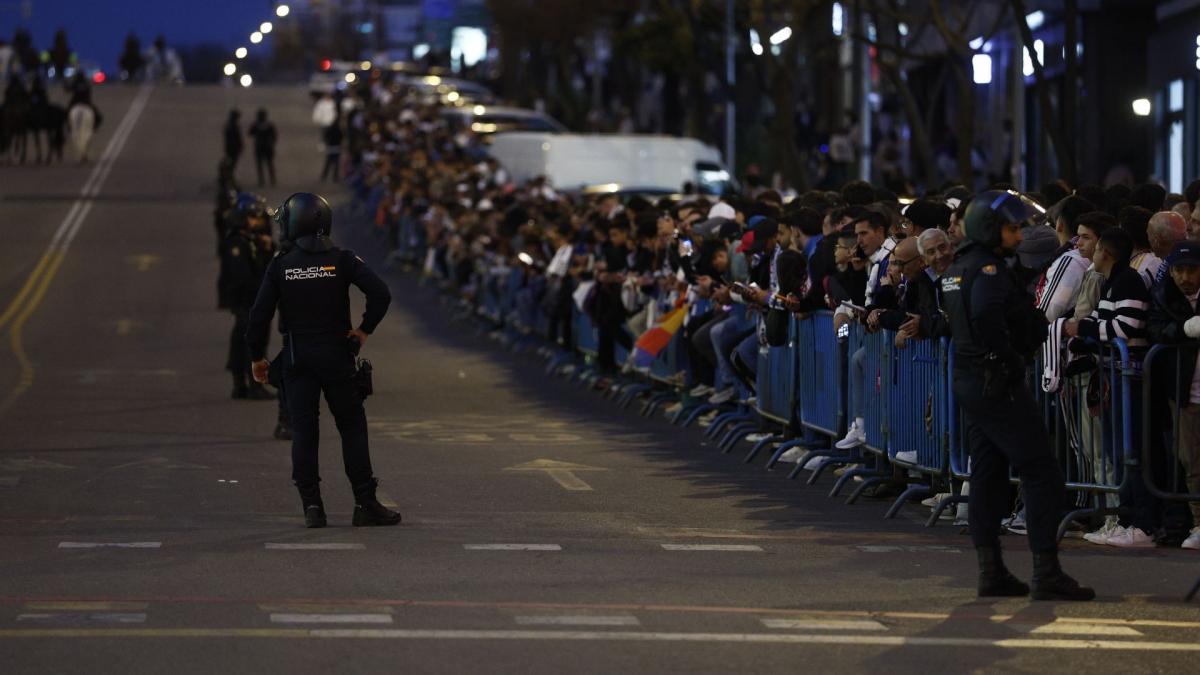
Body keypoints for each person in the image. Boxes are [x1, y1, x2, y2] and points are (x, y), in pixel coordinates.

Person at [938, 190, 1094, 601]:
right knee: (1042, 472)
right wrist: (1006, 357)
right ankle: (1047, 571)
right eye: (1011, 227)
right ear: (990, 229)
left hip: (972, 381)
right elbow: (987, 315)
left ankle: (992, 570)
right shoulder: (987, 269)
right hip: (996, 381)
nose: (1018, 234)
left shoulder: (958, 267)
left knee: (987, 476)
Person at [246, 192, 400, 528]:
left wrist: (258, 358)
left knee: (304, 431)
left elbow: (258, 317)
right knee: (351, 427)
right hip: (337, 356)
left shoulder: (280, 265)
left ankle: (312, 507)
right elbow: (381, 294)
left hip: (297, 357)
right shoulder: (342, 259)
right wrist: (362, 331)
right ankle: (364, 502)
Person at [1146, 241, 1200, 550]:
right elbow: (1155, 328)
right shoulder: (1164, 294)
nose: (1185, 277)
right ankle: (1198, 521)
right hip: (1184, 392)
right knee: (1191, 461)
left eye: (1192, 269)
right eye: (1179, 270)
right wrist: (1187, 329)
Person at [218, 193, 275, 401]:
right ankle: (252, 385)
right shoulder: (237, 243)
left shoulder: (249, 240)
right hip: (246, 301)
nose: (259, 222)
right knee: (252, 343)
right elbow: (245, 277)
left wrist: (267, 249)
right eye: (254, 217)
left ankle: (241, 385)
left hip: (249, 300)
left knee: (244, 341)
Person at [248, 108, 277, 187]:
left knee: (261, 165)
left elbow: (250, 133)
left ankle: (262, 180)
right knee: (269, 164)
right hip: (267, 147)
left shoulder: (256, 125)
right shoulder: (269, 125)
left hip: (260, 147)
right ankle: (271, 179)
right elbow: (274, 136)